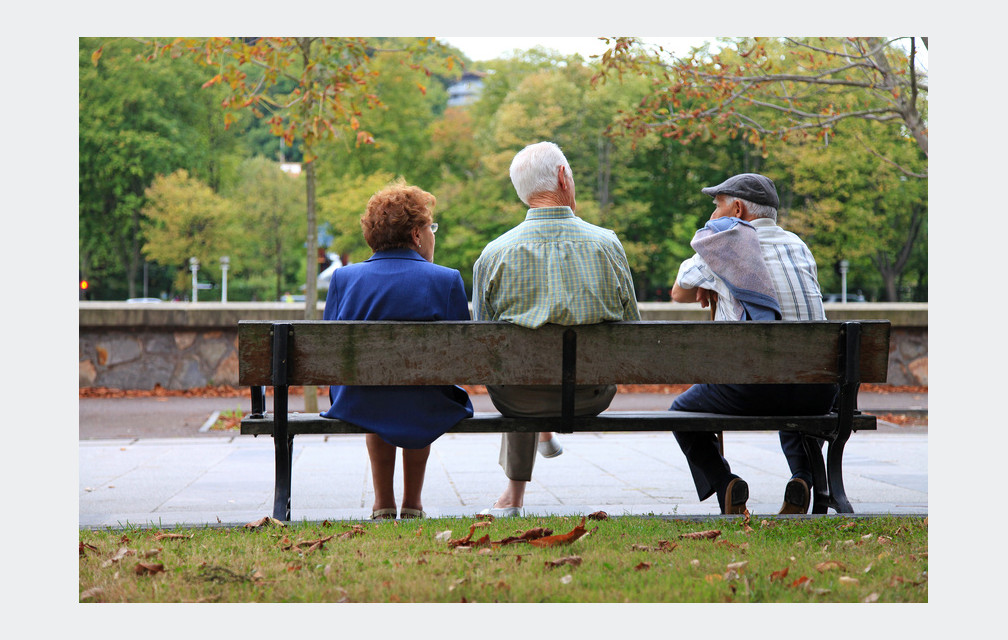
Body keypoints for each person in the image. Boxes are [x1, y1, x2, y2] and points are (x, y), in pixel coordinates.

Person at [472, 141, 640, 516]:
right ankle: (536, 452)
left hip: (518, 398)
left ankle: (513, 496)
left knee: (518, 373)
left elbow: (484, 345)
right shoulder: (607, 245)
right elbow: (634, 330)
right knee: (530, 371)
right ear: (564, 177)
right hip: (590, 395)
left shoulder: (494, 254)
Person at [669, 172, 837, 515]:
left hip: (752, 389)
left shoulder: (725, 243)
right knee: (793, 387)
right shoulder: (799, 246)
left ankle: (724, 482)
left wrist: (711, 276)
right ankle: (803, 479)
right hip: (818, 390)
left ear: (737, 208)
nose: (713, 216)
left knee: (682, 412)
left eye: (717, 207)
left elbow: (678, 293)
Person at [321, 181, 473, 520]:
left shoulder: (343, 280)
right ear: (417, 235)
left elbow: (330, 356)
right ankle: (413, 503)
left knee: (375, 393)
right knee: (422, 391)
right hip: (427, 400)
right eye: (430, 227)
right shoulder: (447, 280)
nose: (433, 235)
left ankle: (383, 503)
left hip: (359, 400)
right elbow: (461, 359)